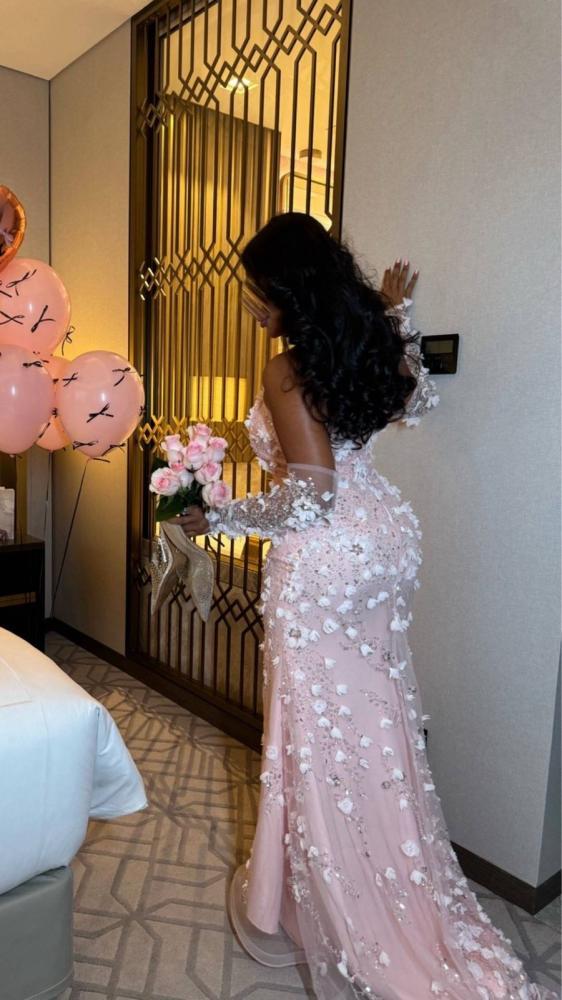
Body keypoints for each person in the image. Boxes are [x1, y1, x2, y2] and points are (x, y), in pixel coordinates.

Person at [177, 213, 557, 1000]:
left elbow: (311, 496)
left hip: (327, 562)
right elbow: (414, 404)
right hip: (385, 542)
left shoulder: (286, 369)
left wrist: (221, 518)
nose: (251, 305)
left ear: (289, 290)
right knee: (374, 722)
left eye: (257, 291)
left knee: (317, 734)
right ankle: (349, 880)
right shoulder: (363, 342)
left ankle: (340, 905)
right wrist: (393, 315)